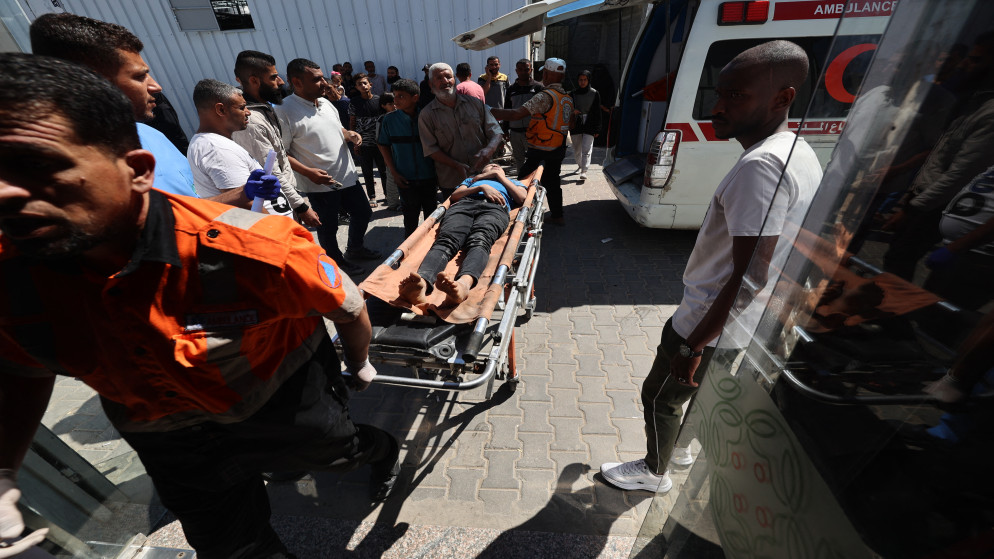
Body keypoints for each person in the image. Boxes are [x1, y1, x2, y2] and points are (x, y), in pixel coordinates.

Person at [0, 52, 399, 559]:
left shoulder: (258, 251)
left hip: (280, 407)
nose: (4, 193)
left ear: (136, 171)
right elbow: (19, 365)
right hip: (166, 438)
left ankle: (381, 451)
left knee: (342, 454)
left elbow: (346, 305)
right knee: (234, 548)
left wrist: (359, 363)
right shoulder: (12, 279)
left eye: (36, 166)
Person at [597, 41, 822, 492]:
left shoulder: (761, 166)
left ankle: (654, 472)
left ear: (783, 98)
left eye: (735, 96)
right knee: (697, 393)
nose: (717, 108)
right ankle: (679, 450)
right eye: (718, 94)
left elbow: (750, 276)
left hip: (708, 320)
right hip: (743, 323)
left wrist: (693, 344)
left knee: (659, 396)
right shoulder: (796, 149)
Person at [29, 13, 199, 200]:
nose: (156, 87)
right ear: (93, 82)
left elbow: (190, 208)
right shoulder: (62, 174)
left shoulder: (152, 135)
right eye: (140, 76)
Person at [276, 58, 381, 273]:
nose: (324, 83)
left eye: (323, 77)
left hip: (347, 175)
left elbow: (338, 129)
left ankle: (355, 248)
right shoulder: (284, 110)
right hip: (320, 184)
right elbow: (281, 153)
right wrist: (308, 173)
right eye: (316, 79)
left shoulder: (324, 103)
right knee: (328, 226)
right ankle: (335, 262)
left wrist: (350, 134)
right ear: (297, 82)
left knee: (363, 213)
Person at [398, 164, 527, 308]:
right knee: (446, 240)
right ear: (482, 171)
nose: (493, 165)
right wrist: (481, 187)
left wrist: (499, 176)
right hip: (464, 205)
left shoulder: (513, 182)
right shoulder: (472, 180)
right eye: (489, 165)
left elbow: (522, 198)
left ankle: (463, 285)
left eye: (497, 166)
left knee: (480, 240)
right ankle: (421, 283)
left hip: (495, 208)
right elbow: (455, 196)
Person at [231, 50, 322, 227]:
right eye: (273, 77)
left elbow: (278, 155)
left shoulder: (263, 108)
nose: (280, 82)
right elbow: (271, 171)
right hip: (274, 204)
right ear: (254, 81)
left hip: (285, 196)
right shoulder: (251, 121)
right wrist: (301, 206)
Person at [186, 79, 287, 215]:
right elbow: (245, 204)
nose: (248, 112)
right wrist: (277, 226)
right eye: (242, 107)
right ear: (221, 109)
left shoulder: (214, 143)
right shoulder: (217, 149)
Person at [491, 58, 574, 225]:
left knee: (523, 181)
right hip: (558, 147)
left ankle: (517, 218)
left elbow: (516, 114)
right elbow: (571, 124)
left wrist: (487, 111)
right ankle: (558, 216)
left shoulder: (544, 96)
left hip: (541, 148)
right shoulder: (566, 98)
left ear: (547, 74)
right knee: (553, 181)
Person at [419, 62, 503, 200]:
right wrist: (456, 165)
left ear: (454, 79)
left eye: (448, 76)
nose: (445, 81)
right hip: (452, 180)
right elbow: (431, 149)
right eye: (439, 78)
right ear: (430, 84)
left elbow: (496, 131)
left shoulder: (475, 103)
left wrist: (489, 149)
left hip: (484, 173)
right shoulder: (426, 115)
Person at [378, 79, 439, 236]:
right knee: (410, 218)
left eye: (401, 96)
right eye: (395, 96)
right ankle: (409, 248)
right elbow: (383, 145)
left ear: (415, 98)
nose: (396, 100)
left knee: (431, 218)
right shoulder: (389, 120)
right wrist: (394, 173)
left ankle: (431, 246)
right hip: (405, 179)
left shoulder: (427, 116)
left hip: (429, 176)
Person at [350, 73, 388, 206]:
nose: (363, 86)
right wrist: (355, 142)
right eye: (359, 84)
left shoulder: (379, 100)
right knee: (367, 171)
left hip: (380, 143)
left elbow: (386, 120)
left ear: (370, 85)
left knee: (383, 170)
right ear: (356, 87)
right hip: (364, 143)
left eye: (365, 83)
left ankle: (388, 195)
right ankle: (372, 196)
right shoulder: (354, 102)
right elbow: (352, 122)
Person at [504, 59, 543, 171]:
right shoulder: (511, 89)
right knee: (518, 159)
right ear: (516, 71)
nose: (523, 72)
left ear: (531, 70)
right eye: (520, 70)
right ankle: (521, 180)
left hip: (532, 132)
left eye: (526, 69)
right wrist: (505, 130)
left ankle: (534, 180)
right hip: (515, 132)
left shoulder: (538, 87)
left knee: (534, 159)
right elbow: (507, 110)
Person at [570, 70, 602, 182]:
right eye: (580, 80)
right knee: (577, 149)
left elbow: (597, 112)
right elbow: (566, 107)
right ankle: (580, 165)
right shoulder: (572, 94)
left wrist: (597, 128)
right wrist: (573, 111)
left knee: (586, 148)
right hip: (576, 123)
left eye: (585, 80)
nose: (582, 82)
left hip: (590, 122)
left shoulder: (595, 93)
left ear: (588, 80)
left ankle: (584, 170)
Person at [376, 92, 401, 210]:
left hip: (400, 152)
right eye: (390, 104)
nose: (394, 106)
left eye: (395, 103)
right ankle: (393, 203)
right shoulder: (382, 119)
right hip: (389, 153)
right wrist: (386, 157)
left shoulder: (400, 115)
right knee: (391, 178)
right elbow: (379, 141)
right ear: (383, 106)